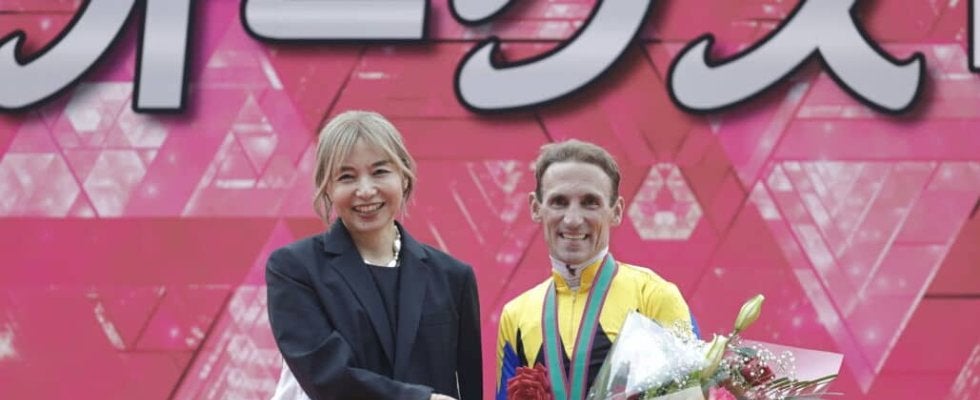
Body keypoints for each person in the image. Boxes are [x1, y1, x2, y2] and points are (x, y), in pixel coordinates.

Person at [266, 110, 482, 400]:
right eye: (346, 177)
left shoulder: (453, 277)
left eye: (380, 172)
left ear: (404, 176)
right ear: (327, 188)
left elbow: (468, 387)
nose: (366, 190)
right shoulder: (295, 269)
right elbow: (326, 376)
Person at [495, 139, 694, 400]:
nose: (573, 219)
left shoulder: (654, 296)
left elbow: (689, 392)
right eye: (559, 202)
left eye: (590, 202)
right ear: (535, 208)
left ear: (616, 211)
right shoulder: (516, 314)